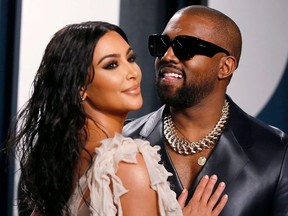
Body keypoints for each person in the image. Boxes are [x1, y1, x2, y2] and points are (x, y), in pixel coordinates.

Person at [5, 21, 229, 216]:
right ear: (80, 87)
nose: (133, 72)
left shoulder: (63, 159)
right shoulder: (127, 164)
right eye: (111, 65)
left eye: (130, 58)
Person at [123, 5, 288, 216]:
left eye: (185, 47)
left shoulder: (276, 153)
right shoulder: (123, 142)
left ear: (225, 67)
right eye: (161, 45)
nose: (167, 56)